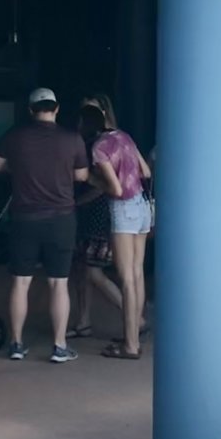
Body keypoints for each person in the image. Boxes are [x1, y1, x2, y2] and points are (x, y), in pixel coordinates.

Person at [0, 87, 88, 363]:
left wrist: (19, 168)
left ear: (31, 110)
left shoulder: (15, 136)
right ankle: (59, 346)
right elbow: (82, 175)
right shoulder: (72, 138)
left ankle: (16, 344)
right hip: (61, 219)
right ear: (56, 108)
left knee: (21, 282)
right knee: (59, 283)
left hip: (24, 219)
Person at [88, 109, 153, 360]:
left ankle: (130, 345)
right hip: (142, 207)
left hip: (123, 209)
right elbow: (145, 172)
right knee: (137, 274)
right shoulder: (124, 137)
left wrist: (93, 181)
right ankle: (133, 336)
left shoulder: (99, 147)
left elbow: (114, 189)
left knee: (126, 278)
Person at [67, 104, 126, 340]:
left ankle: (134, 316)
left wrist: (76, 202)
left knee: (93, 272)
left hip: (97, 217)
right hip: (90, 217)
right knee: (82, 271)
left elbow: (102, 188)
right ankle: (83, 322)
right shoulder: (105, 143)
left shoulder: (96, 148)